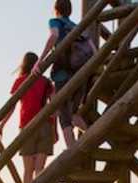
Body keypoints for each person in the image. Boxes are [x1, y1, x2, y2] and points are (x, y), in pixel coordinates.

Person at [34, 0, 90, 148]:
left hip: (63, 74)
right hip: (80, 74)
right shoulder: (77, 27)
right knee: (74, 113)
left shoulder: (55, 22)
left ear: (56, 9)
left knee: (64, 115)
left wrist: (40, 60)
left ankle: (72, 152)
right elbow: (93, 49)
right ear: (70, 10)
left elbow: (54, 36)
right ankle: (93, 137)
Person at [0, 52, 58, 183]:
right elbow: (54, 108)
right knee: (40, 170)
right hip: (45, 125)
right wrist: (55, 130)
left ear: (24, 64)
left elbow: (11, 107)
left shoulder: (20, 81)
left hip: (26, 125)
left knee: (28, 170)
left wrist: (1, 125)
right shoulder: (47, 82)